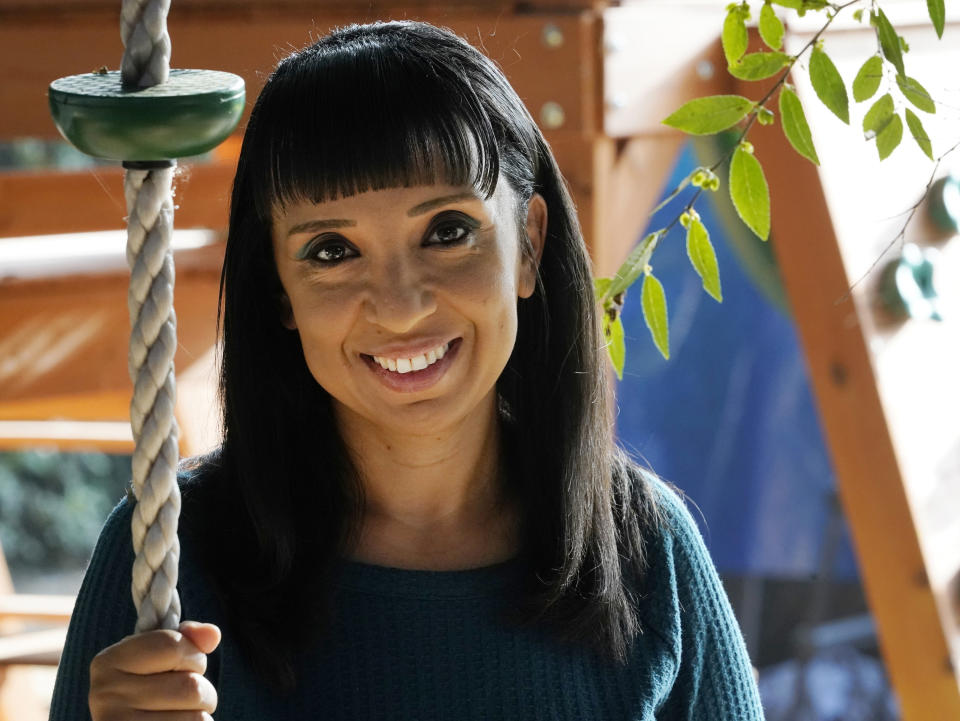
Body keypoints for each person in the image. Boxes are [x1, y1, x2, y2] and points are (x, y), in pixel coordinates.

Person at [49, 20, 765, 721]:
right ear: (278, 290)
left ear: (529, 243)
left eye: (448, 232)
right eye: (331, 250)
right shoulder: (167, 555)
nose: (398, 306)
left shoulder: (648, 553)